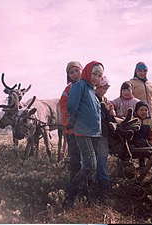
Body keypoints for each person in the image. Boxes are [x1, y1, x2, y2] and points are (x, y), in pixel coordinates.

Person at [63, 61, 104, 208]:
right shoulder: (79, 86)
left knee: (90, 168)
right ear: (87, 72)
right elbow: (71, 106)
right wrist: (72, 122)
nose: (96, 77)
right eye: (94, 74)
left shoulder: (92, 91)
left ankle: (86, 196)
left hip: (94, 133)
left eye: (99, 75)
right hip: (83, 132)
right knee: (89, 166)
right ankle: (69, 197)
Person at [59, 61, 83, 181]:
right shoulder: (68, 89)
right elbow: (63, 105)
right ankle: (74, 181)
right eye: (71, 72)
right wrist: (70, 119)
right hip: (72, 129)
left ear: (82, 71)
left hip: (86, 129)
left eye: (77, 71)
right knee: (74, 157)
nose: (75, 74)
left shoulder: (88, 87)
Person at [94, 76, 112, 196]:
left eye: (106, 88)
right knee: (93, 160)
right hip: (93, 133)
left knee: (102, 159)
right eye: (103, 88)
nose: (104, 90)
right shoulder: (92, 99)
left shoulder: (104, 100)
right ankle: (94, 185)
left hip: (103, 134)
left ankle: (103, 187)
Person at [130, 100, 152, 170]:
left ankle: (149, 166)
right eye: (141, 110)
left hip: (146, 142)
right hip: (134, 142)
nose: (144, 112)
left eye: (146, 110)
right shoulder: (133, 119)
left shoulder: (150, 121)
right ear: (136, 111)